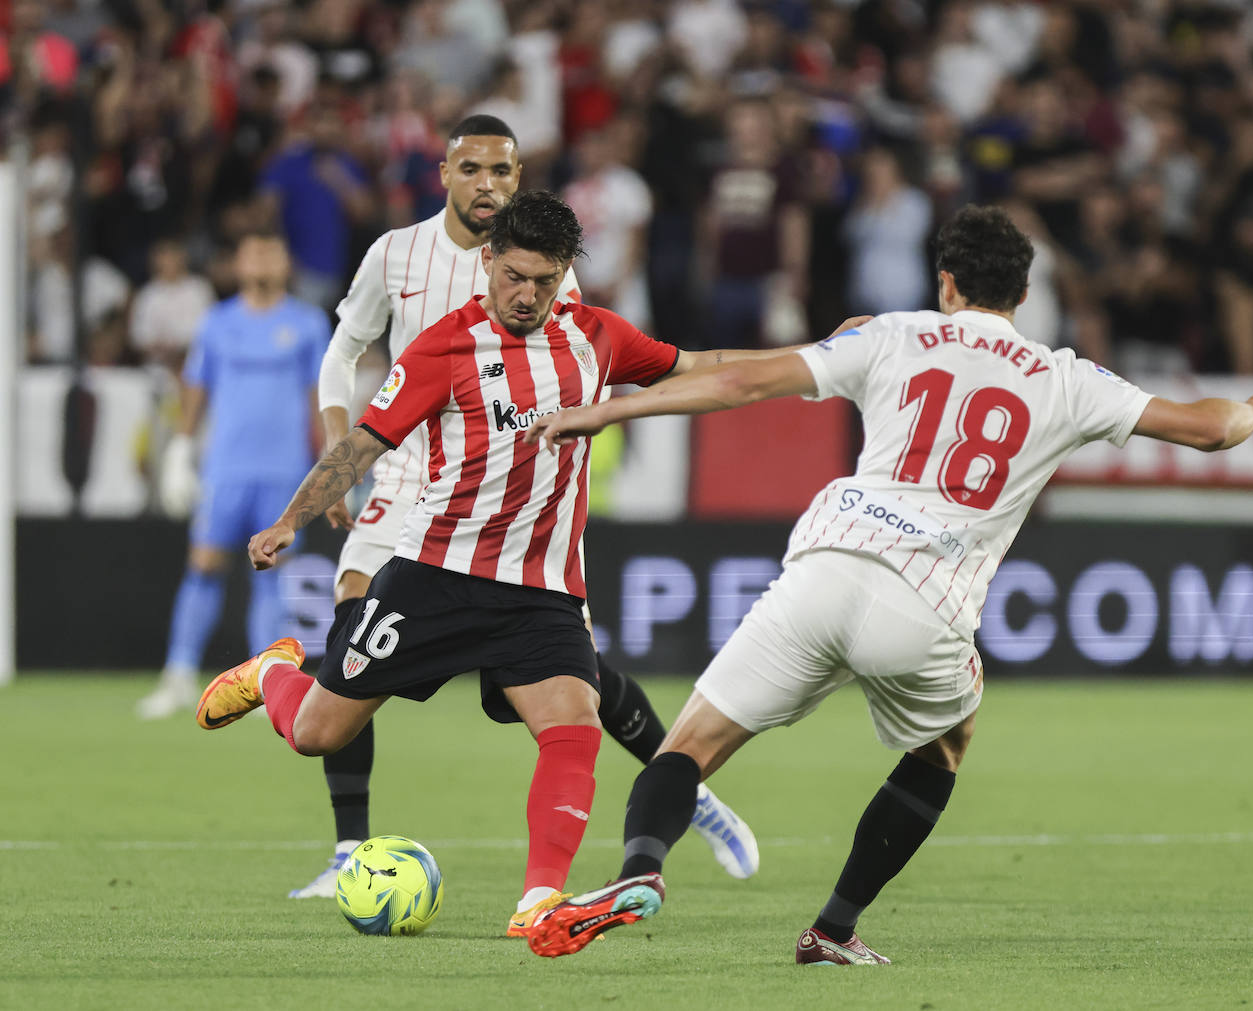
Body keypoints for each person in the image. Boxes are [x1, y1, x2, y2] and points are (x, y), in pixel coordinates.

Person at [520, 205, 1253, 964]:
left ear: (947, 282)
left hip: (827, 564)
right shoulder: (1068, 379)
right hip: (927, 599)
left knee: (690, 744)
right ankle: (832, 928)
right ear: (1023, 297)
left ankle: (639, 868)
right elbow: (1206, 428)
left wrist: (614, 411)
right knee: (946, 746)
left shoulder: (889, 333)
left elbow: (743, 384)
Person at [195, 191, 853, 937]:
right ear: (487, 262)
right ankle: (271, 672)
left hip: (541, 590)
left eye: (544, 280)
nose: (527, 295)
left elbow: (703, 366)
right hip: (437, 575)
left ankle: (538, 901)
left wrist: (822, 355)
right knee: (318, 731)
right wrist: (291, 519)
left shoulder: (596, 338)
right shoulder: (445, 347)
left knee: (574, 720)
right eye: (513, 276)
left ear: (566, 273)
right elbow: (364, 444)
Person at [291, 116, 758, 924]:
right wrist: (319, 475)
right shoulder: (401, 263)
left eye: (500, 170)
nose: (485, 183)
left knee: (565, 698)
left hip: (528, 529)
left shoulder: (566, 296)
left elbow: (672, 367)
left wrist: (816, 361)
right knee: (332, 686)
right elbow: (349, 361)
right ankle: (341, 832)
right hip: (415, 493)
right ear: (444, 173)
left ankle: (632, 821)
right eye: (470, 167)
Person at [137, 230, 329, 719]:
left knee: (272, 576)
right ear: (238, 263)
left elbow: (319, 398)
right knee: (203, 566)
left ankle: (269, 684)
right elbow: (195, 389)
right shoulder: (217, 324)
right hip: (226, 469)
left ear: (287, 263)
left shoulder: (307, 325)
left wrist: (329, 465)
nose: (263, 259)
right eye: (254, 252)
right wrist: (181, 449)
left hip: (285, 472)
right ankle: (178, 675)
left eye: (273, 250)